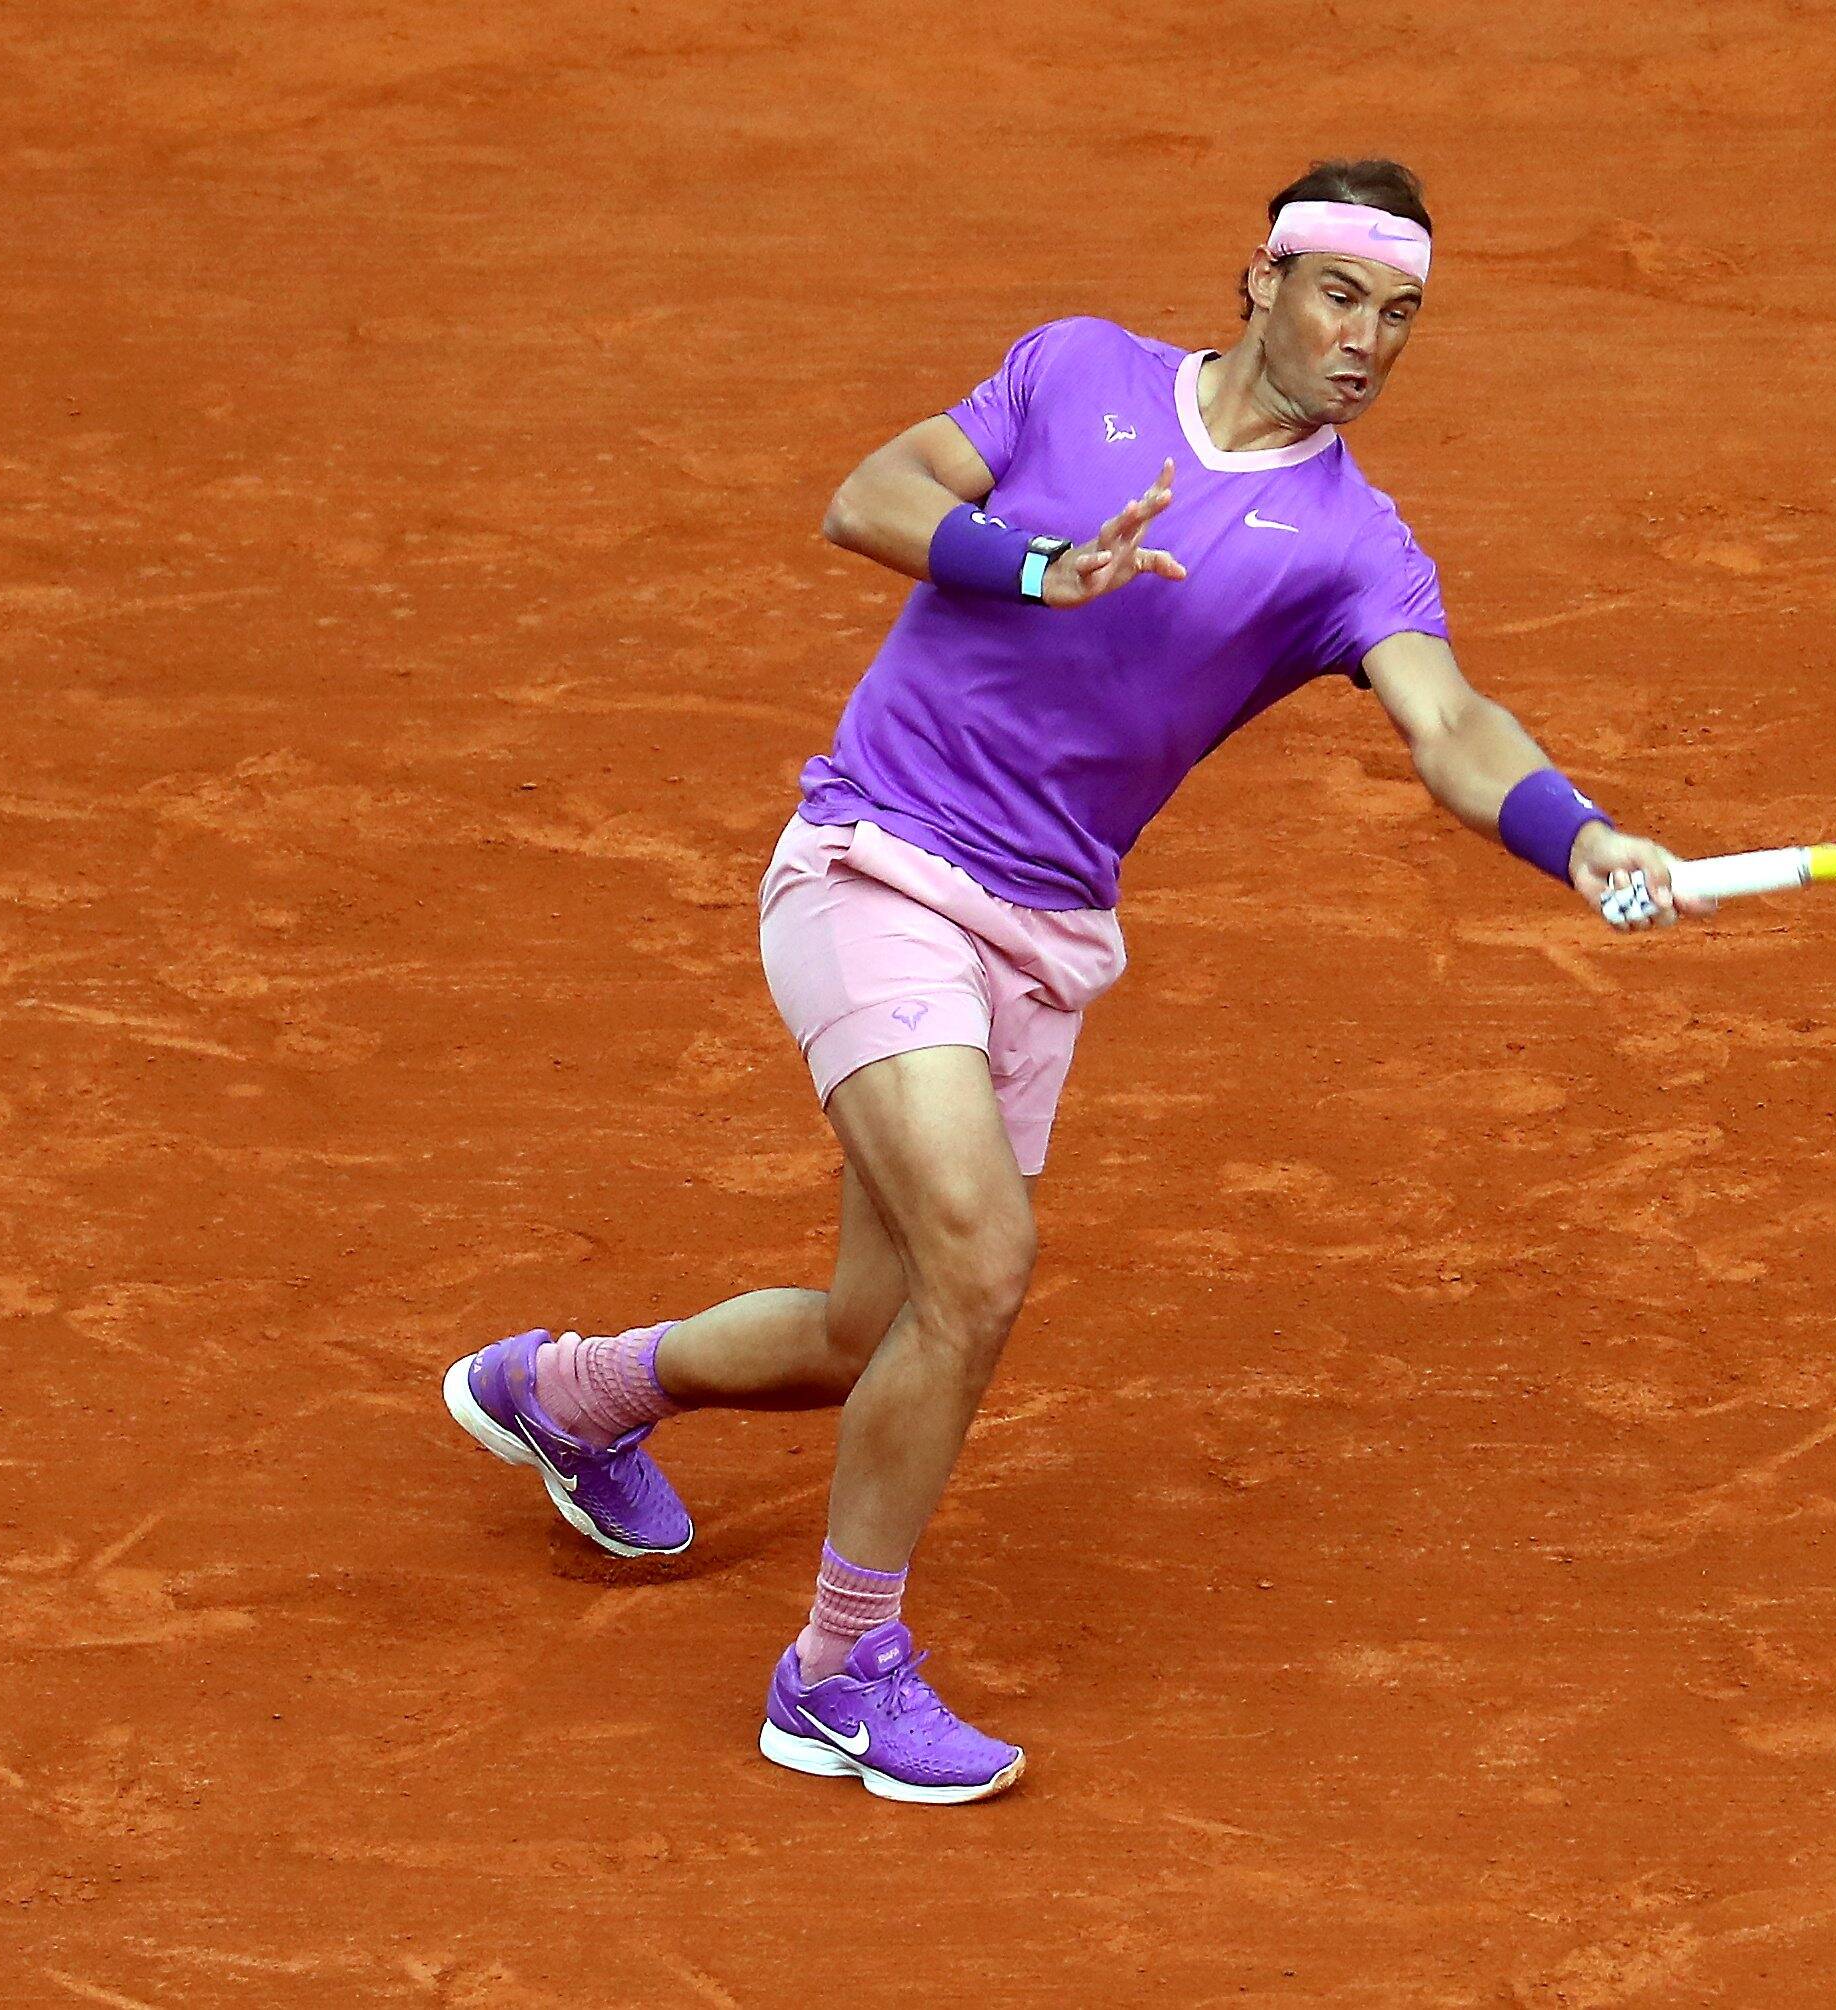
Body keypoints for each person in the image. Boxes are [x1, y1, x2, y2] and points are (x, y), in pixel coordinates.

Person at [442, 158, 1700, 1804]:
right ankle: (837, 1672)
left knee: (864, 1330)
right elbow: (870, 496)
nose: (1366, 341)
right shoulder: (1075, 374)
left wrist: (1579, 833)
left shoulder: (1350, 545)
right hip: (876, 859)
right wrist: (1037, 565)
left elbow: (1452, 725)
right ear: (1258, 280)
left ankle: (573, 1391)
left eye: (1400, 317)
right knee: (982, 1258)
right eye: (1339, 295)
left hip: (1040, 935)